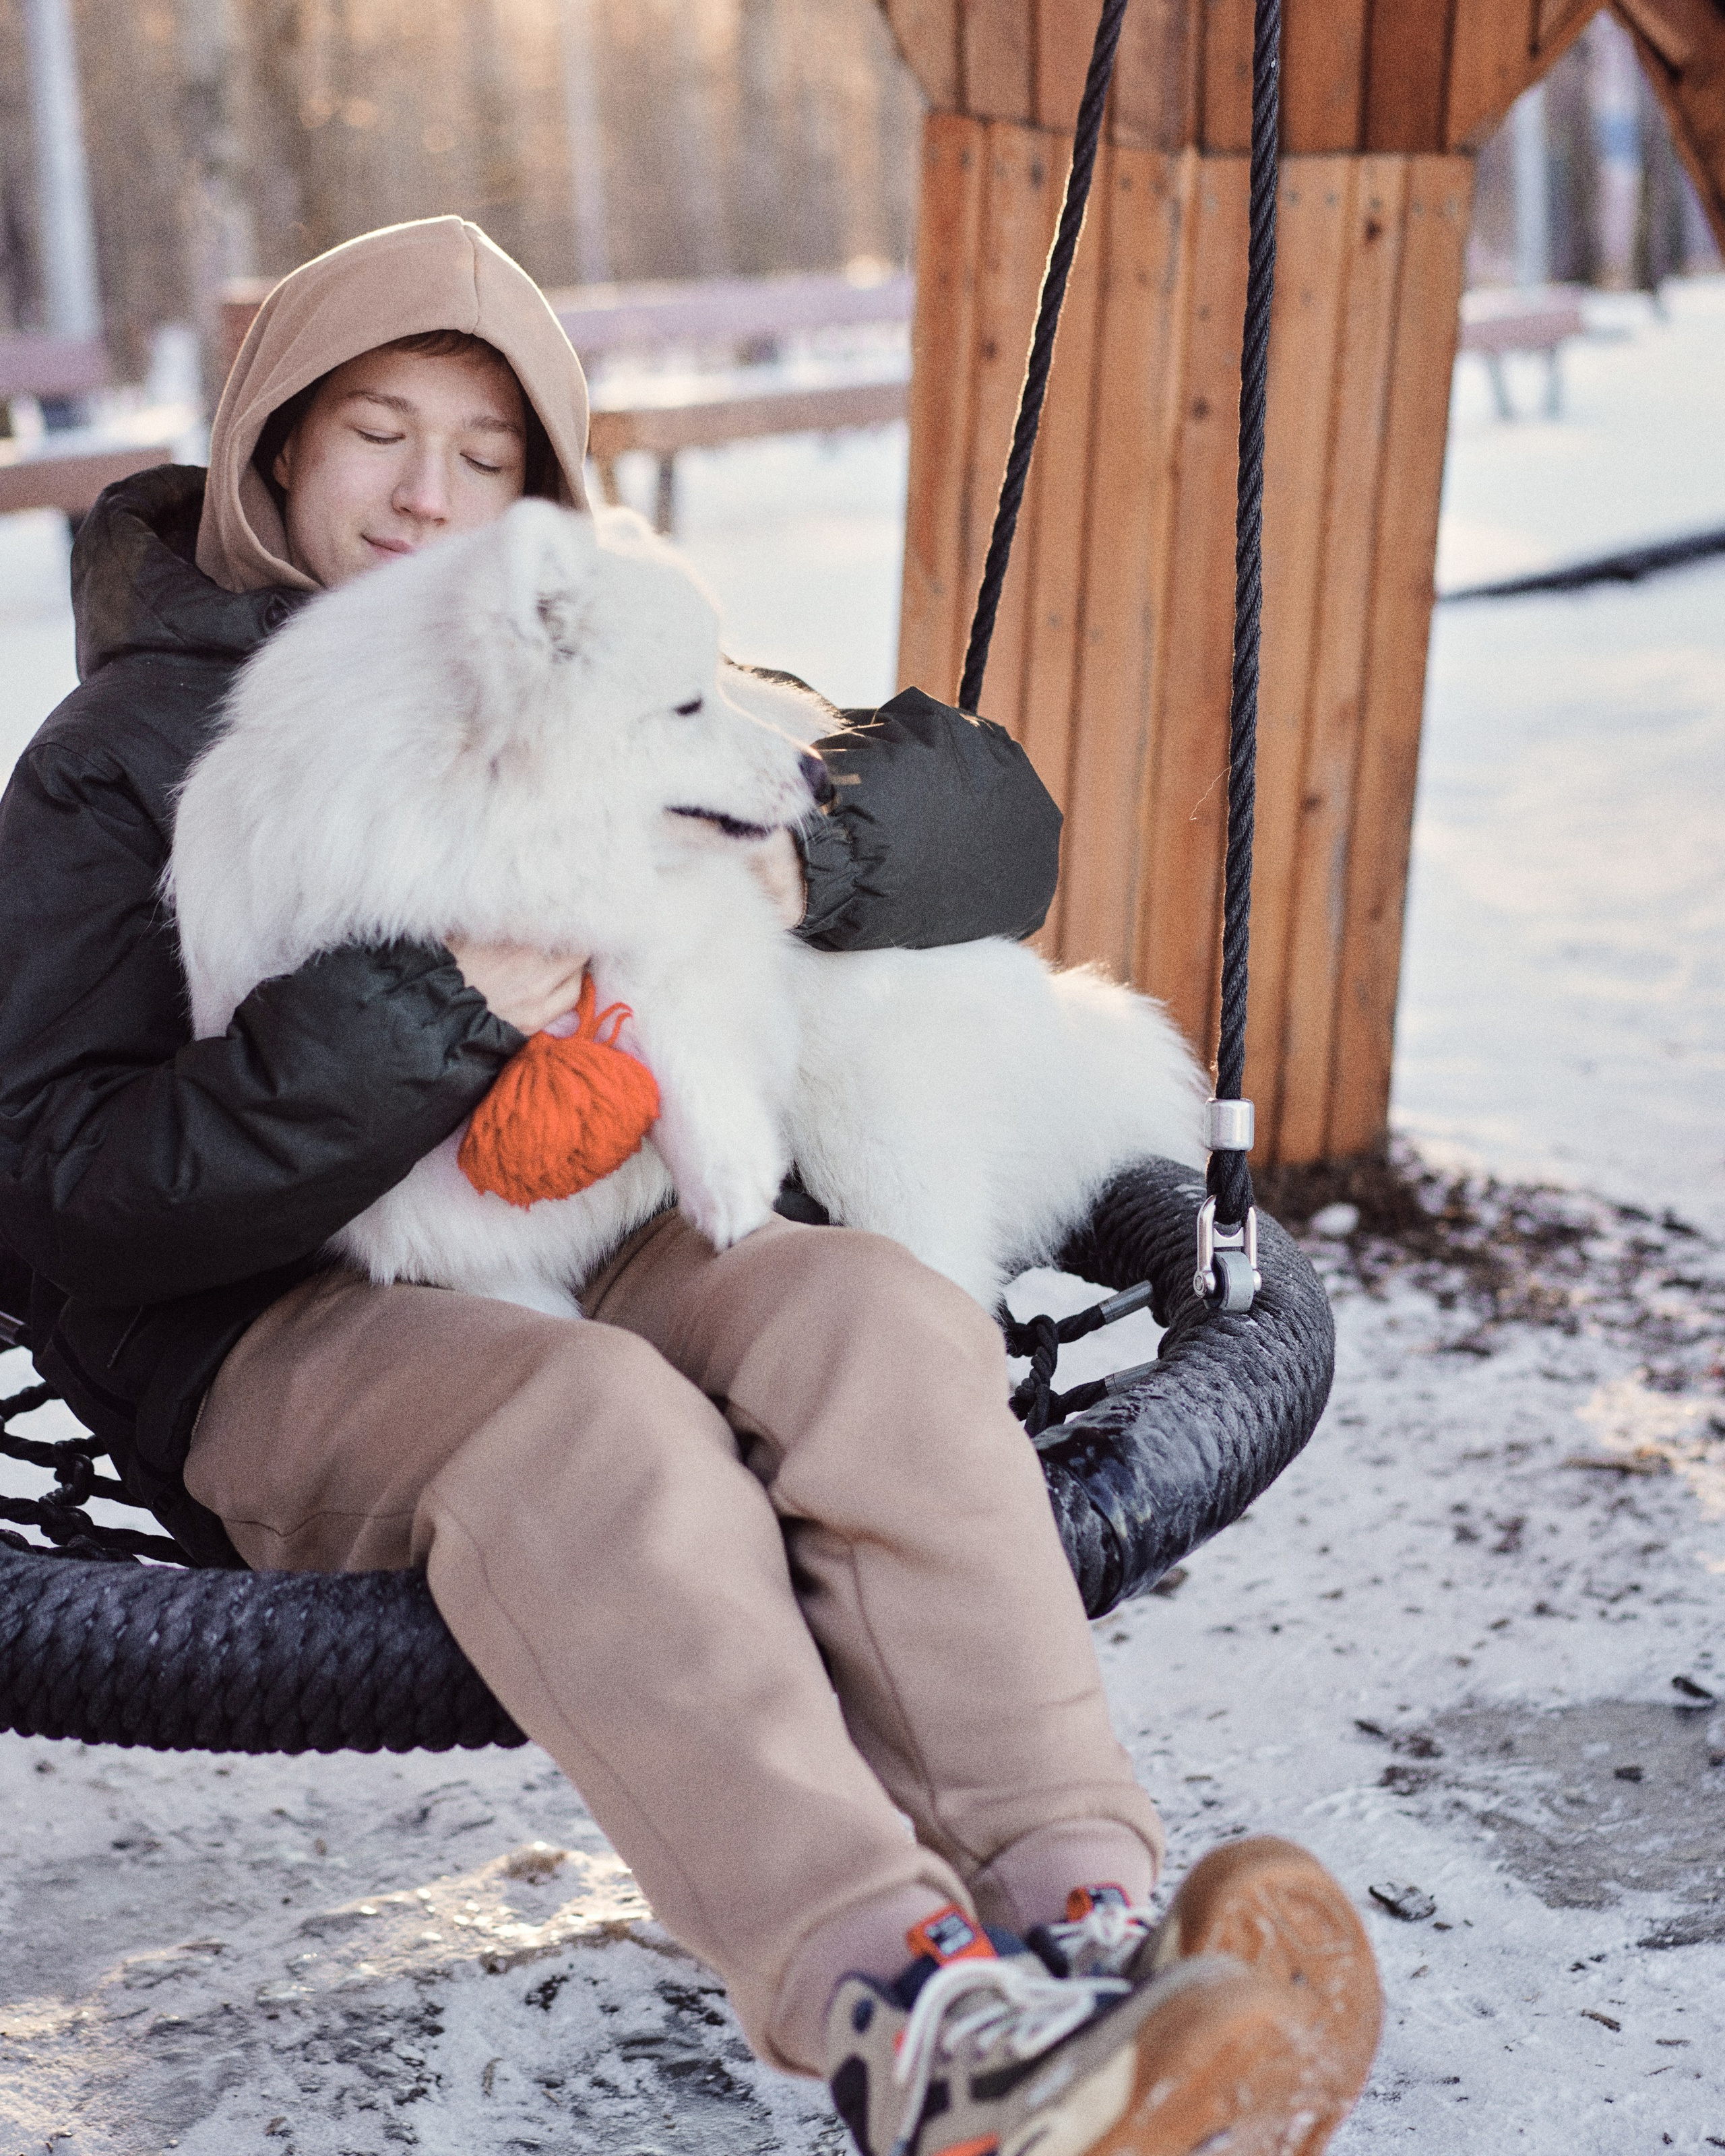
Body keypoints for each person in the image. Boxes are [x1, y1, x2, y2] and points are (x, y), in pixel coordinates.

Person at [0, 218, 1379, 2153]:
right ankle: (903, 2015)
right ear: (273, 460)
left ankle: (1083, 1922)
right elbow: (60, 1184)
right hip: (282, 1320)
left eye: (488, 456)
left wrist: (805, 861)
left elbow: (991, 818)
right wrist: (425, 1014)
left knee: (872, 1317)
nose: (428, 494)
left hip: (619, 1216)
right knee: (597, 1425)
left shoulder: (607, 653)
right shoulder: (122, 753)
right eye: (377, 434)